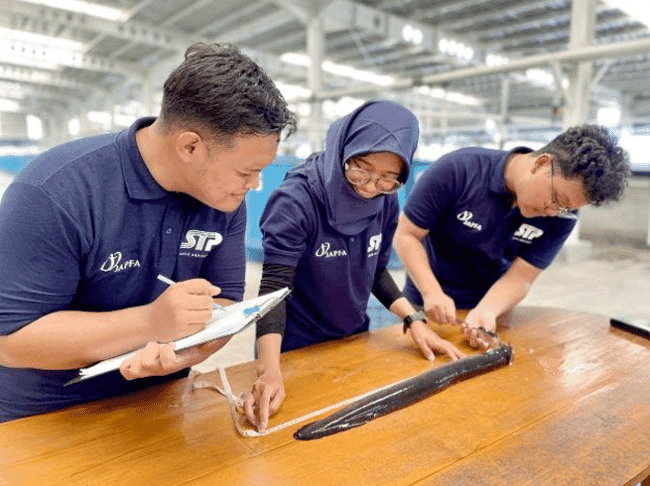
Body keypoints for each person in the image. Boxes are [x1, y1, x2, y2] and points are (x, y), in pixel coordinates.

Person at [0, 42, 296, 423]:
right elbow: (12, 342)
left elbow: (225, 308)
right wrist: (149, 324)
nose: (255, 185)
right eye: (245, 172)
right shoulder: (55, 192)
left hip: (161, 402)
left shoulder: (224, 201)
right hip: (45, 416)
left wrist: (190, 353)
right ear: (190, 146)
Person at [243, 100, 465, 431]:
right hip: (293, 348)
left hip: (352, 338)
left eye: (388, 178)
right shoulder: (296, 200)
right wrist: (270, 370)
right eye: (360, 169)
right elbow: (274, 291)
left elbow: (374, 272)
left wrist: (414, 319)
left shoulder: (385, 200)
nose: (370, 187)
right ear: (344, 150)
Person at [394, 125, 630, 348]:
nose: (552, 213)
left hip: (494, 307)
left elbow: (522, 276)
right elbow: (407, 234)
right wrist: (430, 291)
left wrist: (488, 310)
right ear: (541, 163)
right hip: (427, 301)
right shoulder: (458, 170)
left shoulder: (563, 216)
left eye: (565, 208)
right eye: (556, 199)